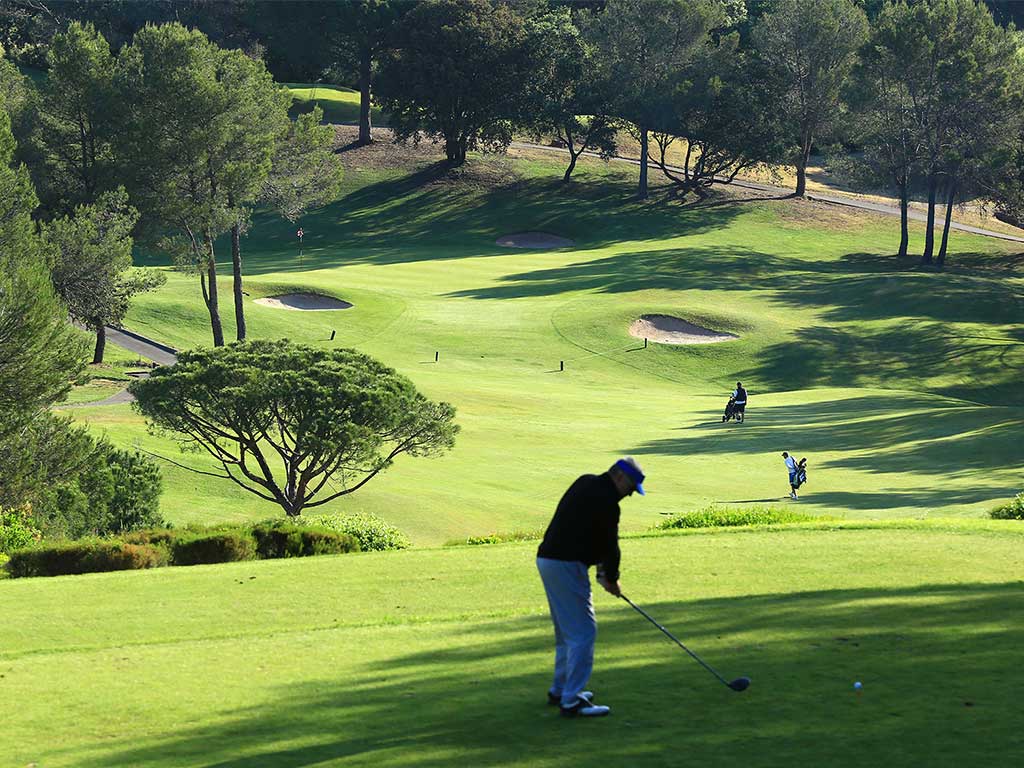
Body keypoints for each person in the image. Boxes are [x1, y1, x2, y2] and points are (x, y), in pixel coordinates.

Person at [536, 456, 646, 718]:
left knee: (567, 633)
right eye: (630, 488)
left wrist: (602, 573)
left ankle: (560, 690)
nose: (629, 495)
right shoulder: (608, 501)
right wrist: (611, 577)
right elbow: (609, 545)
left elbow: (587, 533)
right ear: (619, 476)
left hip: (548, 560)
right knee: (584, 633)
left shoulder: (586, 482)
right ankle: (571, 701)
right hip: (565, 564)